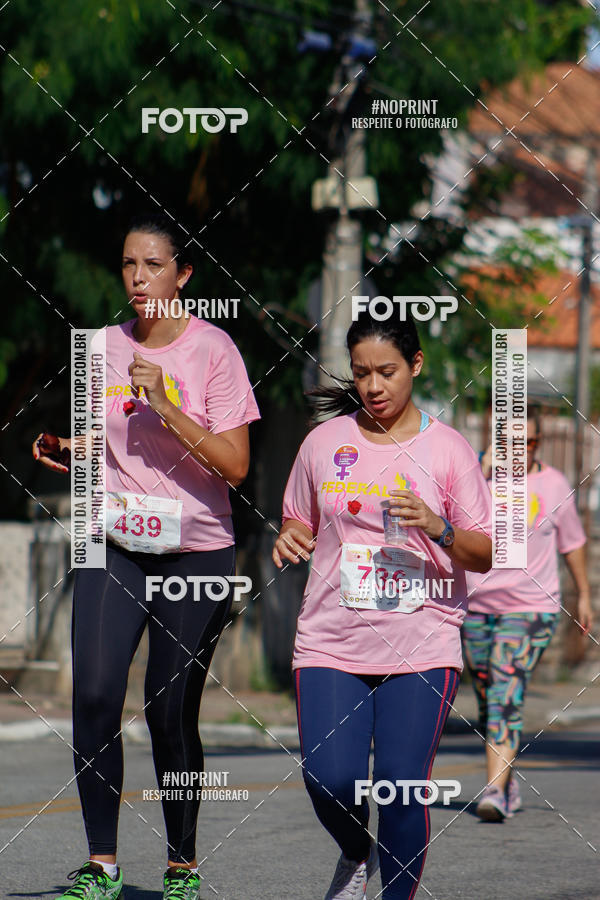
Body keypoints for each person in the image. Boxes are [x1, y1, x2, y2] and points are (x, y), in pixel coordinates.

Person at [33, 212, 260, 900]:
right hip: (112, 540)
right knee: (96, 694)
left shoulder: (214, 350)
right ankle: (101, 864)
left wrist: (165, 406)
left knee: (168, 709)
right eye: (128, 265)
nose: (137, 279)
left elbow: (236, 467)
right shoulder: (97, 346)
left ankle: (182, 864)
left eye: (153, 265)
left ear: (182, 273)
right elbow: (103, 439)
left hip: (196, 552)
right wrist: (73, 451)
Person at [272, 311, 492, 900]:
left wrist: (439, 527)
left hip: (422, 642)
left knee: (399, 786)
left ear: (415, 366)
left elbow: (487, 552)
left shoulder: (447, 450)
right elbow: (299, 515)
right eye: (362, 372)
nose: (373, 386)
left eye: (387, 372)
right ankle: (354, 852)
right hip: (330, 640)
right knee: (327, 779)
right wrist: (290, 534)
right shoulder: (323, 442)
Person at [463, 405, 592, 822]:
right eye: (509, 441)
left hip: (531, 608)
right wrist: (478, 475)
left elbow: (572, 542)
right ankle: (506, 780)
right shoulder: (475, 480)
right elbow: (451, 529)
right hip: (476, 608)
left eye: (528, 442)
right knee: (488, 698)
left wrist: (585, 595)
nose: (518, 450)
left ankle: (493, 792)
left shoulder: (554, 485)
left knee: (503, 686)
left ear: (539, 443)